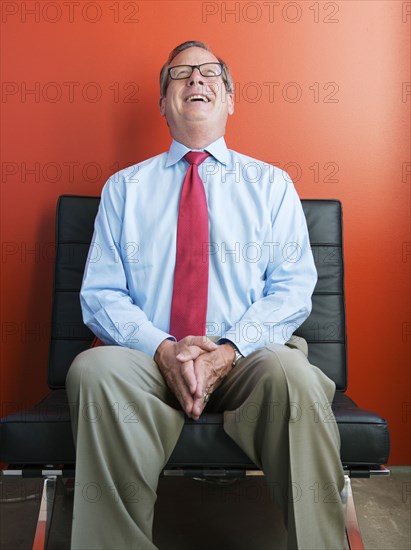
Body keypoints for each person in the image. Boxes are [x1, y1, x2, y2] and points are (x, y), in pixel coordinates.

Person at [66, 40, 346, 550]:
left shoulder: (272, 184)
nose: (196, 79)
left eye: (210, 72)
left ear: (230, 98)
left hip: (247, 356)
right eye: (180, 74)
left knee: (295, 377)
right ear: (162, 102)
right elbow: (101, 293)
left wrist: (229, 349)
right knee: (92, 370)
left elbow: (291, 290)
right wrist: (162, 349)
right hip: (149, 358)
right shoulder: (124, 189)